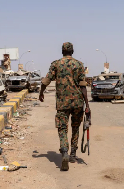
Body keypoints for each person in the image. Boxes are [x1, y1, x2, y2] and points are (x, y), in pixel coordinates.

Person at [39, 42, 90, 171]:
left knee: (62, 128)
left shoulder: (56, 64)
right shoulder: (79, 64)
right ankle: (73, 155)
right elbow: (83, 86)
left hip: (62, 103)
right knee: (75, 128)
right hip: (78, 102)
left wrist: (41, 93)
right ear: (72, 52)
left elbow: (46, 80)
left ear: (62, 51)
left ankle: (65, 152)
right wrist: (87, 104)